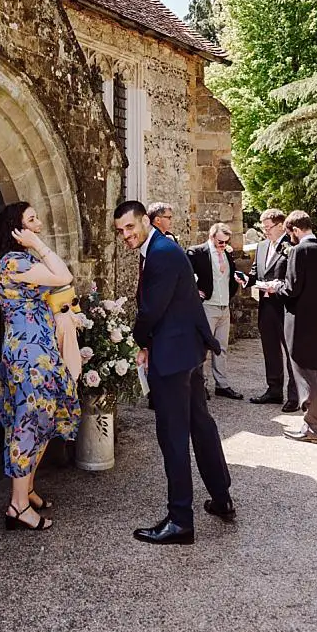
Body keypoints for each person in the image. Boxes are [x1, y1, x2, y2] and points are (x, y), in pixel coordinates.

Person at [113, 200, 233, 544]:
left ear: (145, 222)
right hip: (187, 352)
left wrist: (138, 342)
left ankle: (181, 520)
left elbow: (151, 310)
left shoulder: (162, 252)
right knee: (200, 423)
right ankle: (222, 497)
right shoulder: (162, 248)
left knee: (174, 436)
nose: (125, 236)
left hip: (172, 357)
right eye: (120, 231)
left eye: (130, 228)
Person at [0, 201, 79, 532]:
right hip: (30, 355)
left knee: (38, 418)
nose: (38, 222)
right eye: (31, 220)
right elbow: (64, 276)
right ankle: (18, 505)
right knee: (30, 421)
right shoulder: (14, 262)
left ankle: (26, 490)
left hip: (33, 348)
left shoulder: (19, 262)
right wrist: (38, 245)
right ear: (17, 230)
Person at [259, 211, 317, 443]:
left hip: (302, 322)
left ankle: (313, 428)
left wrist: (277, 287)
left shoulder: (298, 252)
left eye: (289, 233)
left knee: (306, 373)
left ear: (295, 230)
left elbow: (292, 289)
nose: (290, 238)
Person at [250, 207, 301, 411]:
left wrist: (277, 285)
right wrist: (247, 279)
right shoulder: (262, 246)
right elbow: (256, 272)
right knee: (270, 349)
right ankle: (273, 390)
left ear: (281, 226)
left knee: (290, 353)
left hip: (285, 307)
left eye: (269, 227)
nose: (266, 231)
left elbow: (293, 277)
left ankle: (294, 396)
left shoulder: (291, 247)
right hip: (266, 305)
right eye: (263, 228)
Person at [187, 222, 246, 399]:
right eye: (220, 242)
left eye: (226, 242)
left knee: (221, 347)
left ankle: (222, 385)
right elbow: (184, 274)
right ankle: (200, 385)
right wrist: (193, 290)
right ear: (212, 237)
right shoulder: (197, 252)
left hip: (224, 307)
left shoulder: (227, 254)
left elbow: (231, 276)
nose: (223, 245)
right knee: (202, 347)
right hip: (207, 307)